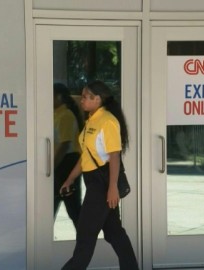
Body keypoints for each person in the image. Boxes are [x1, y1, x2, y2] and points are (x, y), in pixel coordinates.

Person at [60, 80, 139, 270]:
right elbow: (86, 158)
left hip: (102, 184)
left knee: (85, 234)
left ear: (98, 99)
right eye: (83, 96)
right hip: (95, 181)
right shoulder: (91, 121)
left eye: (87, 97)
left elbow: (114, 156)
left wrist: (112, 188)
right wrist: (70, 179)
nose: (82, 100)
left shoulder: (108, 121)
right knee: (114, 233)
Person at [53, 83, 83, 228]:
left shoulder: (66, 115)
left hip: (66, 163)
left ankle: (85, 244)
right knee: (51, 206)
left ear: (59, 97)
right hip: (61, 163)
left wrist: (51, 167)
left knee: (74, 209)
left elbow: (64, 145)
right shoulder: (56, 114)